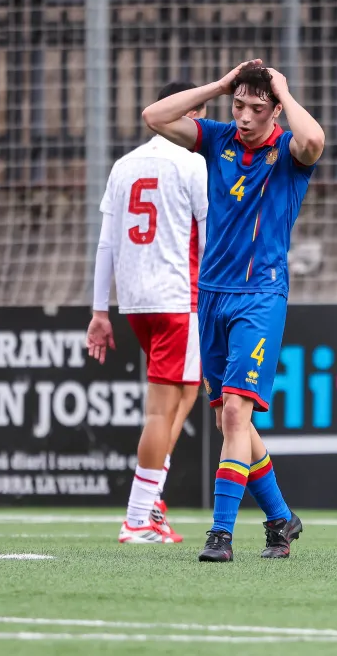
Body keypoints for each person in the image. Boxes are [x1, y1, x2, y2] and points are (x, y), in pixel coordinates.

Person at [142, 60, 325, 562]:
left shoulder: (289, 151)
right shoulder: (217, 138)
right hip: (211, 294)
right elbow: (154, 116)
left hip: (260, 295)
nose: (244, 116)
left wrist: (282, 90)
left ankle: (220, 534)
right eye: (238, 105)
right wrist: (221, 85)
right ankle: (281, 519)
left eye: (256, 108)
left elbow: (315, 139)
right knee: (230, 421)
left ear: (275, 111)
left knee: (237, 412)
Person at [87, 81, 208, 545]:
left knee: (187, 390)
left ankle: (151, 500)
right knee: (162, 409)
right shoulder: (193, 163)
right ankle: (138, 517)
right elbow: (208, 239)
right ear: (188, 112)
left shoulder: (124, 165)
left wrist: (101, 311)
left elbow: (106, 243)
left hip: (136, 301)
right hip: (179, 297)